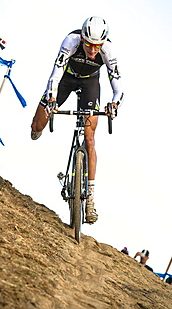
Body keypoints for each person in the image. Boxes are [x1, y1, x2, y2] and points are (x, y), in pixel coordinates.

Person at [31, 16, 124, 224]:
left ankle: (90, 198)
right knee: (37, 125)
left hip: (90, 83)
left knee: (90, 140)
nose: (92, 51)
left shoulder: (108, 50)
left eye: (97, 46)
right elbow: (55, 74)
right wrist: (52, 97)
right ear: (82, 39)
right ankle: (39, 126)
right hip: (66, 78)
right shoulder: (71, 41)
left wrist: (114, 104)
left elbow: (118, 86)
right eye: (89, 45)